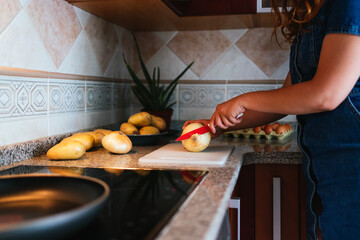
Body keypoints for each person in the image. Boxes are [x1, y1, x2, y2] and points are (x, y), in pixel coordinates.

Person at [183, 0, 360, 239]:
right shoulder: (307, 13)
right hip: (322, 164)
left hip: (351, 162)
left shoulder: (349, 4)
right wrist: (217, 126)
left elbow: (326, 94)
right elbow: (288, 95)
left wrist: (244, 100)